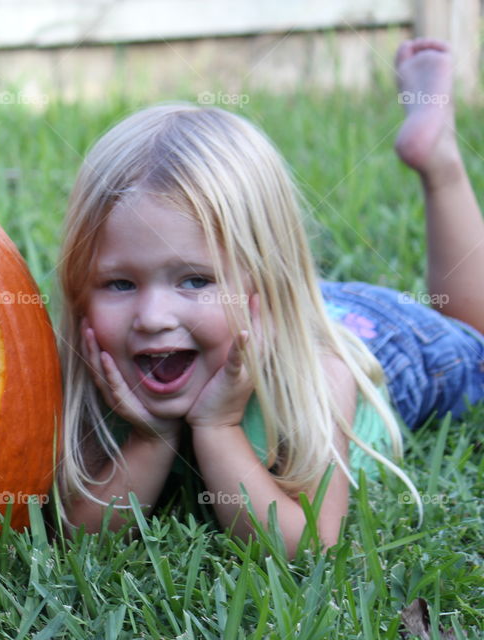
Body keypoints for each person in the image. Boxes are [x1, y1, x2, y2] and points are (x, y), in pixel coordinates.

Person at [57, 39, 484, 557]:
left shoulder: (322, 374)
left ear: (268, 280)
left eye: (194, 280)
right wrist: (150, 438)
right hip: (270, 311)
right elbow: (77, 535)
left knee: (475, 335)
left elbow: (307, 544)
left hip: (382, 339)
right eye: (120, 283)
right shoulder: (93, 370)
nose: (152, 317)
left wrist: (217, 426)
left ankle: (439, 162)